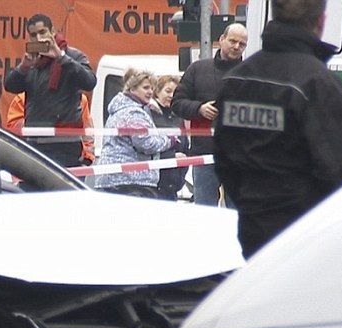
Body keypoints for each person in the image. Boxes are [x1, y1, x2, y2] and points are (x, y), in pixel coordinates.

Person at [214, 0, 342, 258]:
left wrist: (252, 203)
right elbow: (340, 171)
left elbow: (224, 160)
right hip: (306, 235)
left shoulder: (237, 79)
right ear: (321, 22)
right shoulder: (318, 83)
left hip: (253, 227)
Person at [5, 13, 97, 167]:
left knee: (62, 189)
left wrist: (61, 57)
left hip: (64, 142)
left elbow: (89, 82)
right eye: (33, 35)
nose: (39, 38)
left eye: (43, 32)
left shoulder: (73, 55)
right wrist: (23, 67)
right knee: (33, 190)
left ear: (53, 32)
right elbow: (10, 86)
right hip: (35, 141)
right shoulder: (33, 61)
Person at [171, 23, 248, 206]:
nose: (237, 47)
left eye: (242, 44)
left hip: (239, 156)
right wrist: (199, 109)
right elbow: (177, 103)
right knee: (204, 211)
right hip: (205, 153)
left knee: (237, 214)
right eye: (233, 41)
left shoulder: (253, 72)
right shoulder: (197, 69)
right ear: (221, 39)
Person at [93, 68, 175, 197]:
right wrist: (169, 140)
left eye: (152, 88)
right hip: (130, 181)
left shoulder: (121, 108)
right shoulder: (133, 113)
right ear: (132, 89)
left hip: (114, 179)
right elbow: (146, 144)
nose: (150, 92)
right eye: (146, 88)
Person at [6, 92, 95, 164]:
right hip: (34, 162)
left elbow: (87, 132)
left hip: (72, 164)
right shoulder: (24, 98)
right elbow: (14, 131)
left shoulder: (80, 99)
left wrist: (87, 158)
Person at [149, 75, 189, 201]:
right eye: (168, 91)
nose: (171, 95)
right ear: (157, 91)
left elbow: (185, 147)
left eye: (175, 92)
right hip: (153, 186)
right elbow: (147, 146)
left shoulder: (178, 116)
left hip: (173, 186)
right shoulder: (148, 114)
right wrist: (171, 157)